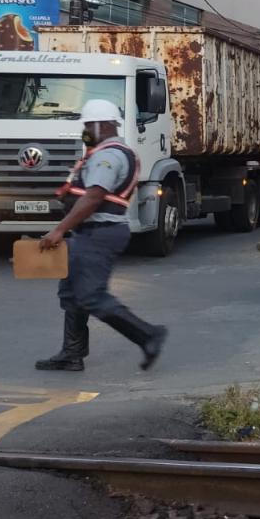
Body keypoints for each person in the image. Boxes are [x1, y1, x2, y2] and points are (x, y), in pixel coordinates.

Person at [35, 99, 167, 372]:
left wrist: (60, 229)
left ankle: (148, 335)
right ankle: (72, 353)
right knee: (71, 295)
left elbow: (93, 197)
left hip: (99, 233)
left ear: (103, 125)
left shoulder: (108, 156)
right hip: (88, 233)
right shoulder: (103, 152)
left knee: (91, 296)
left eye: (87, 126)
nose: (85, 131)